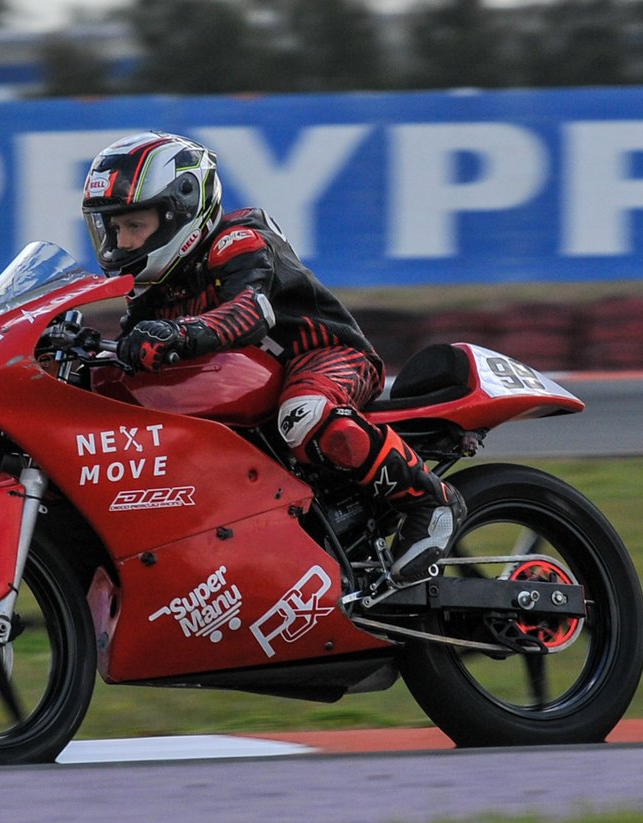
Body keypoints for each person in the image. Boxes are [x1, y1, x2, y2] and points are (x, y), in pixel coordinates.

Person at [80, 131, 462, 584]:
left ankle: (429, 500)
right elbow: (134, 346)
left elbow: (249, 311)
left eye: (134, 226)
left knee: (304, 414)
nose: (122, 242)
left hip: (327, 355)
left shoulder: (238, 241)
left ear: (179, 211)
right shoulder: (153, 287)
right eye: (115, 228)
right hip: (258, 385)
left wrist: (179, 333)